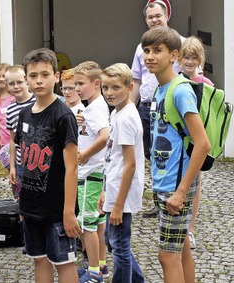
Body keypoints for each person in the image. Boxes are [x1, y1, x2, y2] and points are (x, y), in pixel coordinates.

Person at [144, 26, 210, 283]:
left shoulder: (180, 89)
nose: (150, 56)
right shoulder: (159, 90)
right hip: (165, 183)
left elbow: (202, 144)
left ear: (173, 55)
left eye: (157, 51)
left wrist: (182, 191)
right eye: (147, 51)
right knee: (180, 250)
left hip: (176, 187)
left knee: (166, 256)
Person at [16, 48, 81, 283]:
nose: (39, 80)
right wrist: (22, 203)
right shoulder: (24, 115)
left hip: (57, 207)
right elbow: (24, 160)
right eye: (33, 76)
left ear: (57, 76)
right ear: (26, 78)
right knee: (39, 259)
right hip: (31, 206)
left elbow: (72, 167)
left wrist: (68, 211)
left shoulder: (63, 116)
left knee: (64, 262)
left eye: (44, 74)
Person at [131, 0, 183, 218]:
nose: (154, 20)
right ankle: (158, 199)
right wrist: (130, 108)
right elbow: (136, 80)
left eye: (158, 16)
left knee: (170, 151)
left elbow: (192, 72)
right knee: (151, 154)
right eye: (150, 17)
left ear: (167, 16)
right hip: (146, 107)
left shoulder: (180, 43)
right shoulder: (140, 46)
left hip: (169, 108)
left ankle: (178, 194)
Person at [98, 63, 145, 283]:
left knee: (120, 247)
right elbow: (112, 159)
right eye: (105, 87)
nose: (109, 93)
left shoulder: (126, 118)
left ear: (128, 88)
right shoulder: (118, 113)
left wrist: (118, 204)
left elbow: (130, 164)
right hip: (114, 189)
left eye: (115, 87)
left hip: (122, 194)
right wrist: (105, 191)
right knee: (114, 241)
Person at [72, 61, 109, 282]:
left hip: (90, 172)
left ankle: (94, 272)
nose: (77, 88)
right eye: (75, 83)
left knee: (87, 223)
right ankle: (101, 265)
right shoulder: (92, 107)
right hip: (92, 172)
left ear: (96, 84)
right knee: (97, 223)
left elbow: (104, 136)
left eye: (81, 84)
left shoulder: (96, 108)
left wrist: (85, 155)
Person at [178, 36, 214, 250]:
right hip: (179, 140)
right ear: (179, 58)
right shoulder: (175, 80)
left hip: (196, 142)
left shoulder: (206, 85)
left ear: (200, 60)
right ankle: (180, 225)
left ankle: (190, 228)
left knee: (195, 183)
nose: (190, 62)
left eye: (194, 58)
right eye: (186, 57)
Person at [6, 65, 36, 200]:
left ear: (26, 81)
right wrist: (12, 167)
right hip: (20, 163)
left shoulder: (37, 101)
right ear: (6, 86)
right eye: (12, 83)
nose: (16, 86)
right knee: (23, 199)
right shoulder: (10, 110)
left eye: (19, 82)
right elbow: (12, 140)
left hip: (38, 162)